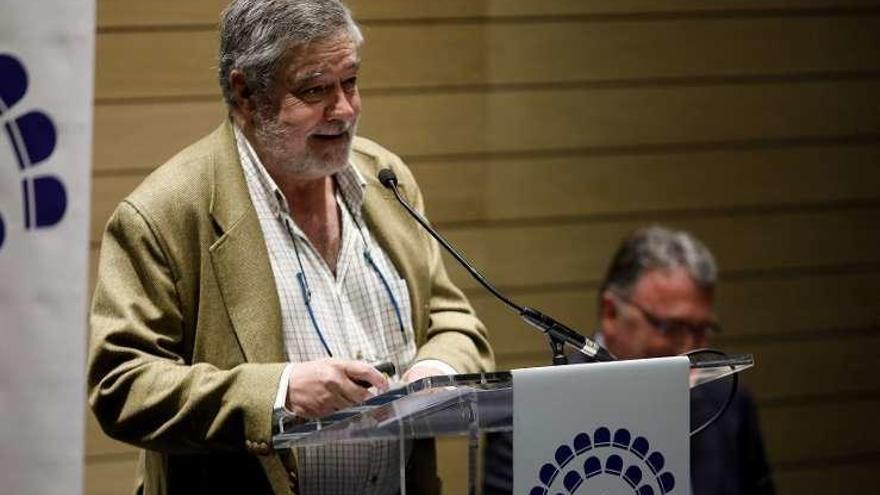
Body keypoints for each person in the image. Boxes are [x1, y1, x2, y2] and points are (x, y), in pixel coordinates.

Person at [87, 1, 493, 494]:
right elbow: (122, 387)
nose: (343, 109)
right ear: (245, 94)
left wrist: (434, 373)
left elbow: (453, 318)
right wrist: (278, 392)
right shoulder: (166, 214)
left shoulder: (386, 180)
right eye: (315, 89)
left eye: (351, 82)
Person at [483, 226, 774, 495]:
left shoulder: (729, 401)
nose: (689, 349)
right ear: (611, 313)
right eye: (670, 328)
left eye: (701, 330)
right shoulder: (527, 416)